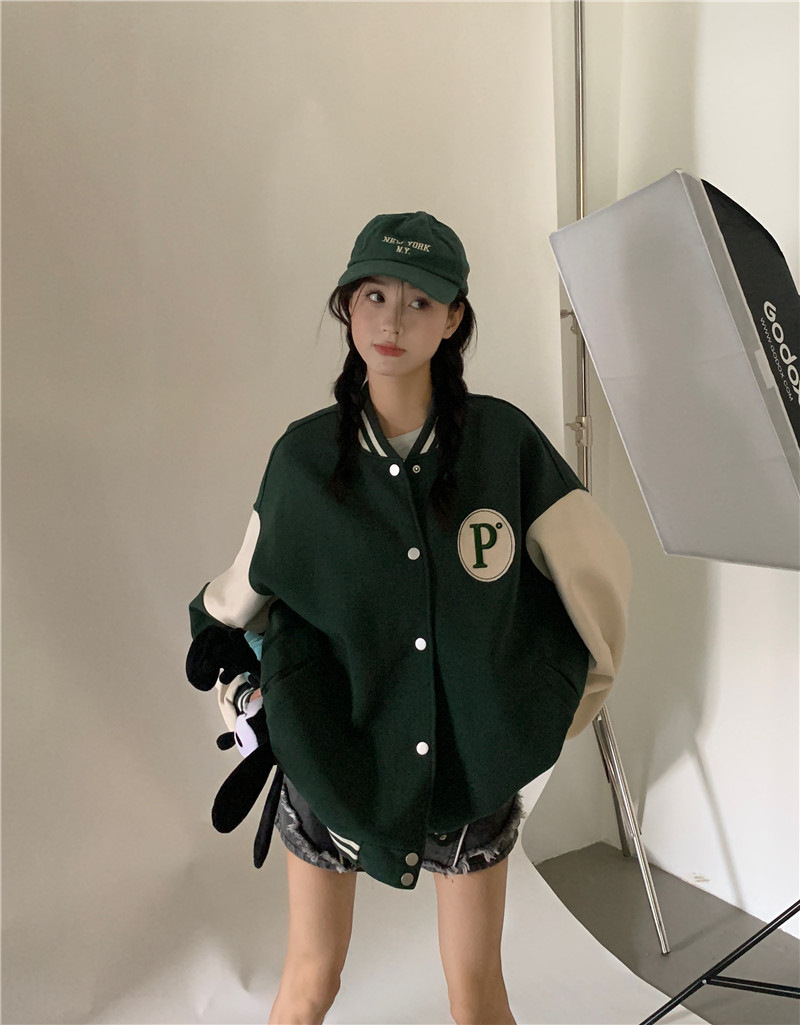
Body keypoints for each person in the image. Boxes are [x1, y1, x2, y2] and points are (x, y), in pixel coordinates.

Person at [187, 211, 632, 1025]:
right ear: (347, 305)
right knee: (310, 980)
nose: (392, 321)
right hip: (332, 758)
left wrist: (553, 707)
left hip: (471, 770)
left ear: (454, 317)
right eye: (374, 296)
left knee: (477, 992)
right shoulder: (303, 459)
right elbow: (242, 593)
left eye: (420, 301)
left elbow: (594, 572)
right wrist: (238, 682)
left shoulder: (504, 444)